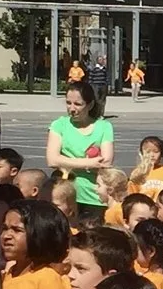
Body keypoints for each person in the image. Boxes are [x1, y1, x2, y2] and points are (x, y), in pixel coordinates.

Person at [46, 82, 115, 220]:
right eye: (68, 103)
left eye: (77, 104)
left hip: (94, 197)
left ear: (89, 105)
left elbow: (105, 161)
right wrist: (88, 163)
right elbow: (52, 160)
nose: (72, 108)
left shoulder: (104, 127)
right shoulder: (59, 125)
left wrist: (67, 161)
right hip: (65, 197)